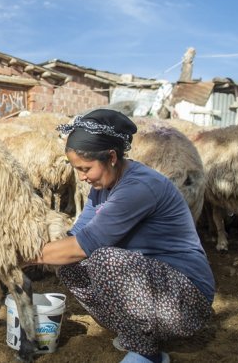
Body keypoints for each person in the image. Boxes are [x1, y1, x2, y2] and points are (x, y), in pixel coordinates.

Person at [28, 109, 215, 363]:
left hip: (186, 298)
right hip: (151, 285)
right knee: (68, 265)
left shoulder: (139, 187)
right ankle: (134, 331)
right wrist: (40, 247)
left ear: (112, 157)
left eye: (86, 168)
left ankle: (147, 352)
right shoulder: (102, 186)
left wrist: (23, 256)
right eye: (76, 169)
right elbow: (77, 233)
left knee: (105, 260)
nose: (81, 177)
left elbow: (86, 244)